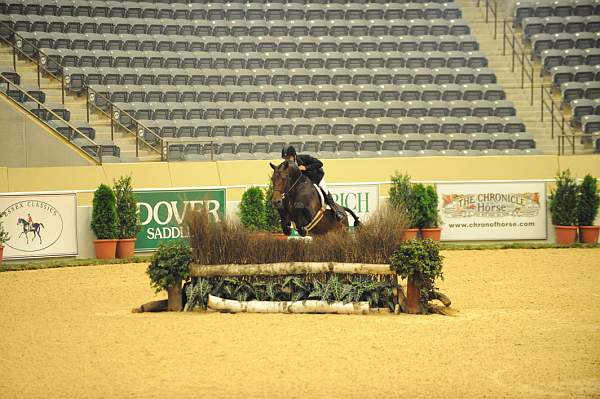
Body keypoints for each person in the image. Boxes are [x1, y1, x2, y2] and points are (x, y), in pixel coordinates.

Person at [281, 146, 345, 221]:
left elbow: (320, 163)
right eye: (285, 158)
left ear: (294, 156)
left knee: (325, 190)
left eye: (289, 158)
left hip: (316, 178)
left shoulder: (304, 158)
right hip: (303, 183)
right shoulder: (286, 165)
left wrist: (305, 168)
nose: (287, 160)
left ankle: (336, 211)